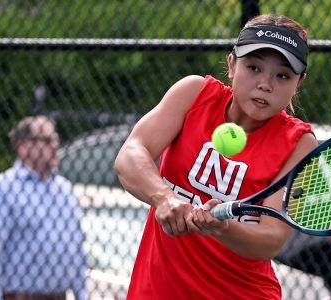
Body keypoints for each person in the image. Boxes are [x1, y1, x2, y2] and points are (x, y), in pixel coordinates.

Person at [114, 14, 318, 299]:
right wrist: (165, 197)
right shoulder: (193, 93)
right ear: (232, 65)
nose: (265, 84)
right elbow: (131, 153)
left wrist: (223, 229)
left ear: (298, 84)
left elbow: (270, 240)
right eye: (254, 67)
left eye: (282, 75)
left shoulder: (301, 144)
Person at [0, 116, 87, 300]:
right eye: (47, 140)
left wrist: (81, 295)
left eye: (55, 139)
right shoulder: (6, 187)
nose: (55, 145)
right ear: (24, 147)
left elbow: (77, 248)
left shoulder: (64, 189)